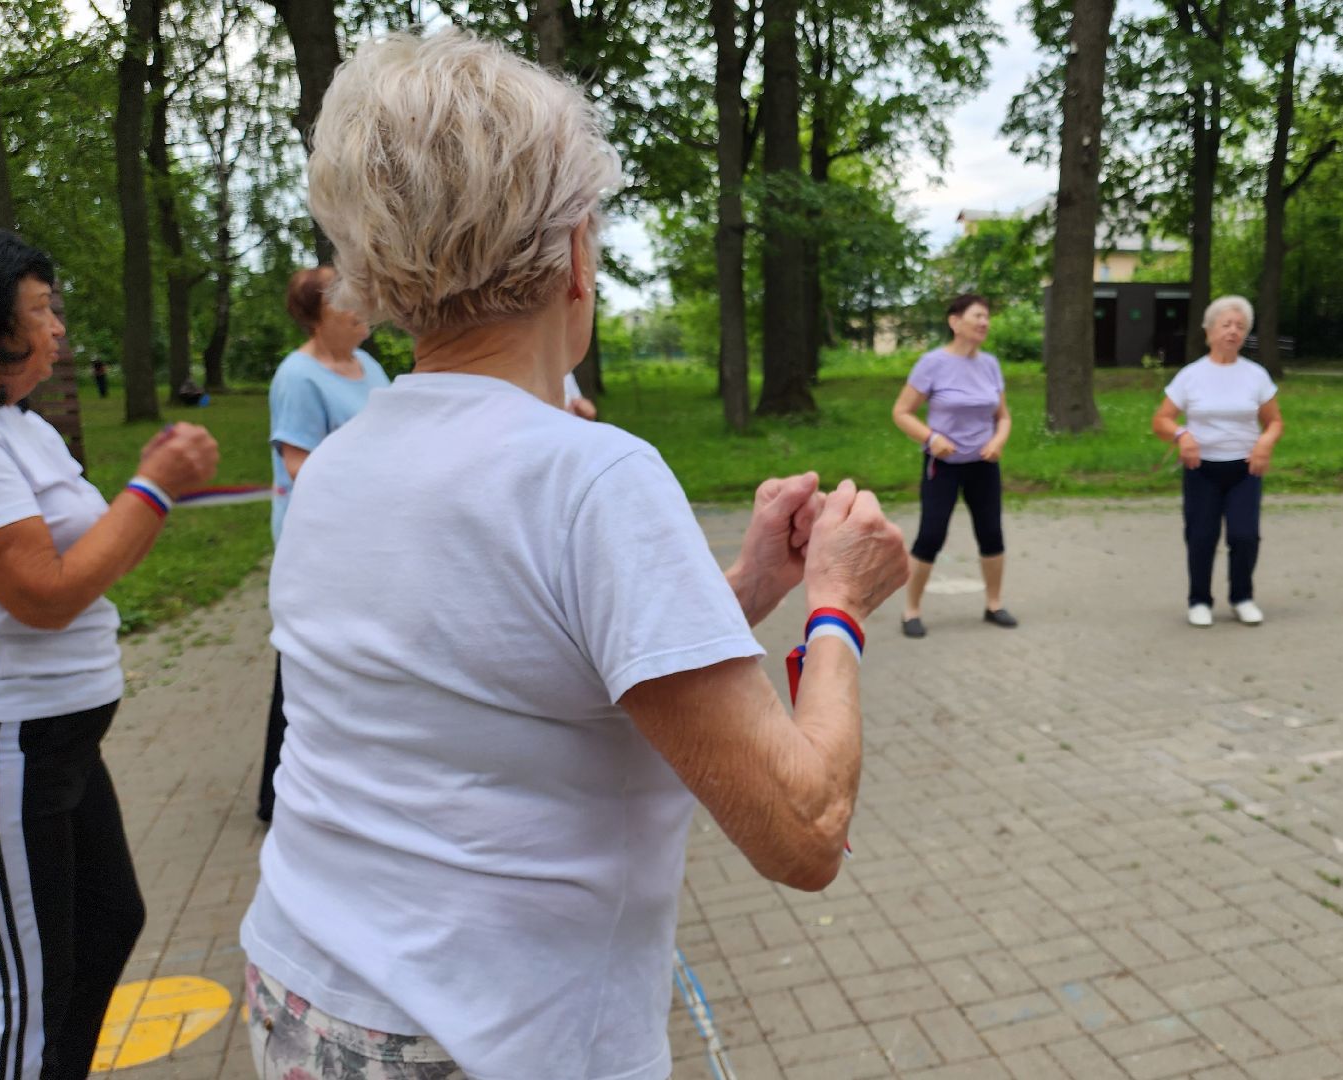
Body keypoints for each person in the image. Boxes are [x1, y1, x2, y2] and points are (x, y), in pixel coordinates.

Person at [237, 30, 909, 1080]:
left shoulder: (337, 467)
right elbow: (804, 831)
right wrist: (837, 607)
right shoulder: (589, 475)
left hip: (302, 996)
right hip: (488, 1038)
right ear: (573, 251)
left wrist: (746, 588)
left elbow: (529, 669)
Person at [0, 223, 218, 1080]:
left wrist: (144, 501)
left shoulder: (9, 421)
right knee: (22, 999)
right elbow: (44, 593)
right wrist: (155, 484)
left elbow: (88, 563)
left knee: (104, 922)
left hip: (53, 737)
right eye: (41, 310)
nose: (58, 328)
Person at [256, 266, 388, 823]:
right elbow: (299, 466)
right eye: (346, 305)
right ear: (315, 316)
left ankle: (354, 778)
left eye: (363, 302)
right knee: (306, 662)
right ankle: (277, 794)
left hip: (366, 538)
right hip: (319, 546)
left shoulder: (369, 368)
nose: (362, 312)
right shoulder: (298, 378)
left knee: (352, 660)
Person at [1151, 295, 1283, 627]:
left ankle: (1242, 597)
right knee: (1200, 535)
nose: (1232, 331)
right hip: (1201, 470)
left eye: (1240, 326)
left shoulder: (1256, 375)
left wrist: (1265, 443)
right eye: (1226, 325)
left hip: (1244, 469)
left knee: (1244, 535)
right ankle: (1199, 600)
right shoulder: (1190, 375)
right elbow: (1161, 420)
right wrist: (1182, 435)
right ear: (1209, 331)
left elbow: (1275, 421)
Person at [890, 294, 1016, 637]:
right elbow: (901, 412)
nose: (984, 323)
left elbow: (1002, 417)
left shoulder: (990, 364)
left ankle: (994, 604)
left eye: (987, 317)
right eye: (977, 316)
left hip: (983, 464)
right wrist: (931, 439)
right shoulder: (932, 363)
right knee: (931, 534)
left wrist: (998, 440)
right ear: (955, 322)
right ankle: (911, 611)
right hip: (942, 465)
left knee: (991, 533)